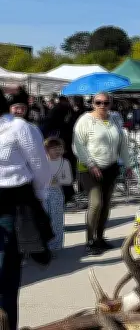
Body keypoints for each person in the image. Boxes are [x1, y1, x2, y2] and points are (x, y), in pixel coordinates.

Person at [0, 89, 53, 329]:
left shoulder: (18, 127)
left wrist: (39, 198)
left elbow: (40, 166)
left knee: (5, 274)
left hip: (11, 206)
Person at [73, 92, 131, 256]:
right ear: (93, 104)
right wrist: (91, 164)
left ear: (110, 104)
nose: (102, 106)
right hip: (89, 168)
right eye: (98, 103)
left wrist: (127, 165)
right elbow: (77, 145)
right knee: (96, 203)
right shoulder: (85, 120)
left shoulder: (114, 120)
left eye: (106, 103)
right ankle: (90, 240)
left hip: (110, 167)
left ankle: (100, 237)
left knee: (106, 205)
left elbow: (123, 144)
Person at [43, 137, 71, 254]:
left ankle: (55, 246)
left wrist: (58, 181)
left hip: (56, 193)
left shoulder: (64, 162)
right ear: (46, 150)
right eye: (53, 148)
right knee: (44, 219)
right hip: (43, 193)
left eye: (59, 148)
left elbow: (69, 180)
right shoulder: (42, 162)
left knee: (57, 220)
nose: (57, 151)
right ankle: (43, 245)